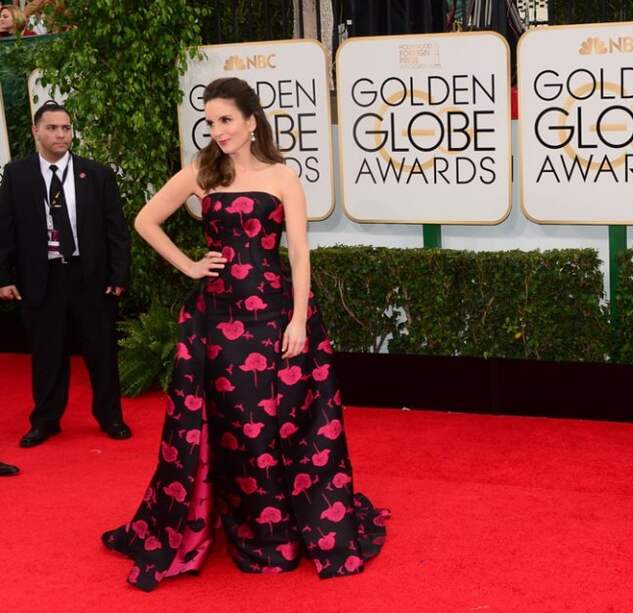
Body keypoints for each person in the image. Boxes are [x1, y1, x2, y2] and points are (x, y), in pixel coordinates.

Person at [103, 77, 388, 591]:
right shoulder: (201, 172)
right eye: (210, 122)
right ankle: (259, 532)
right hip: (218, 319)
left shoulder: (282, 176)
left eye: (226, 120)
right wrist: (190, 266)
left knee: (289, 422)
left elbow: (299, 252)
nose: (217, 131)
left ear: (252, 120)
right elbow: (146, 220)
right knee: (239, 426)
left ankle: (290, 524)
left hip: (277, 315)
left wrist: (299, 318)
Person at [0, 101, 132, 447]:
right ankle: (45, 420)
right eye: (54, 128)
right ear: (36, 132)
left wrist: (119, 276)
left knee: (101, 352)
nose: (62, 134)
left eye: (67, 128)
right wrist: (4, 276)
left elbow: (116, 230)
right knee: (47, 355)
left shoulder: (98, 174)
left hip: (90, 277)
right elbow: (5, 229)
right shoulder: (17, 174)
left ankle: (110, 417)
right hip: (41, 277)